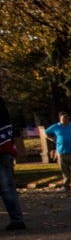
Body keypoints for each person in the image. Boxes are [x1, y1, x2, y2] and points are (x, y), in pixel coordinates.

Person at [0, 89, 25, 230]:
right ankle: (17, 218)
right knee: (7, 188)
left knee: (7, 188)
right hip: (5, 149)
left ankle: (17, 219)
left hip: (3, 151)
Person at [45, 112, 71, 192]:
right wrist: (52, 139)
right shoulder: (56, 127)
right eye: (63, 118)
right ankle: (66, 186)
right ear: (60, 119)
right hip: (61, 151)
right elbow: (46, 133)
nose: (65, 120)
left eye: (66, 118)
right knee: (65, 170)